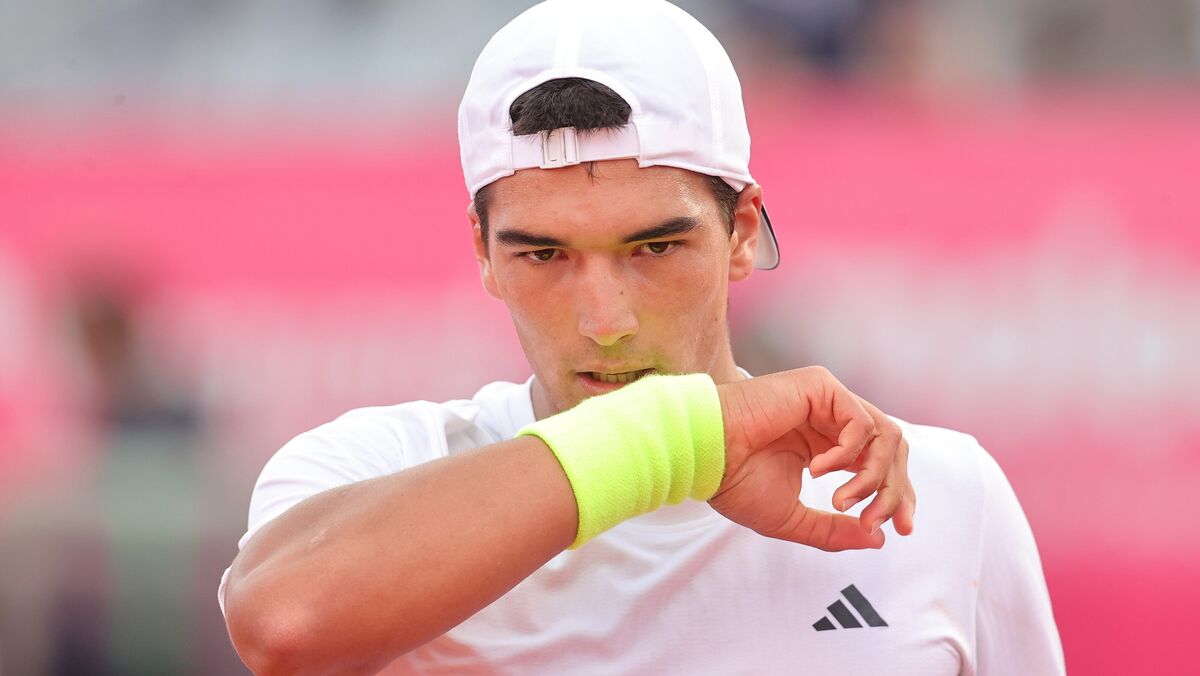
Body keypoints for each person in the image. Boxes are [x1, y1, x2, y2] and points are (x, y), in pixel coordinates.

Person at [220, 1, 1064, 673]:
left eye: (654, 248)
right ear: (483, 253)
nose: (606, 320)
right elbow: (282, 627)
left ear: (742, 231)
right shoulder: (372, 467)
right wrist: (684, 439)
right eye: (544, 255)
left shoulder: (942, 496)